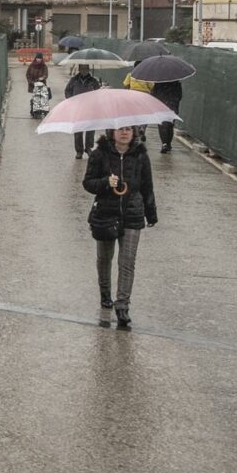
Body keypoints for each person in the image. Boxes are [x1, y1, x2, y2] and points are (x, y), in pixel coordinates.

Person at [83, 126, 157, 328]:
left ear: (134, 133)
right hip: (106, 214)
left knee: (127, 261)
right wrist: (106, 182)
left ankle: (123, 305)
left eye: (128, 130)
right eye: (120, 130)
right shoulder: (99, 154)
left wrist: (151, 213)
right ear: (111, 132)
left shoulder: (141, 156)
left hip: (132, 214)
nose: (124, 133)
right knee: (104, 258)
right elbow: (88, 183)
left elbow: (147, 186)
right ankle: (105, 294)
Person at [64, 63, 102, 159]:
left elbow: (99, 94)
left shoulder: (93, 81)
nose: (84, 71)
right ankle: (79, 151)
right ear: (79, 70)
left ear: (89, 70)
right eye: (82, 69)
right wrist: (71, 100)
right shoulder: (74, 80)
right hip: (77, 108)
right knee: (78, 130)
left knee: (90, 130)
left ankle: (88, 148)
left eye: (86, 69)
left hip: (90, 108)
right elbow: (67, 91)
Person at [151, 78, 183, 153]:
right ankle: (168, 144)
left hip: (161, 106)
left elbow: (153, 94)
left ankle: (164, 144)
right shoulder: (177, 83)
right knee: (170, 125)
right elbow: (179, 96)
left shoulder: (158, 82)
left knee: (162, 125)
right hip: (172, 106)